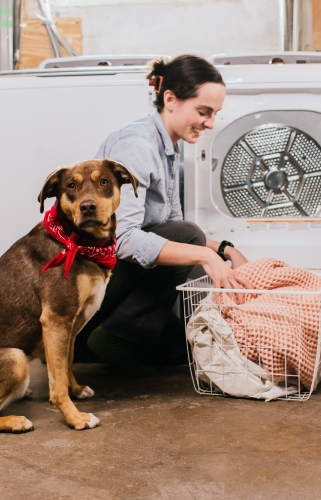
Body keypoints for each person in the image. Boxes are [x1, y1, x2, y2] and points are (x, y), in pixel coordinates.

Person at [75, 54, 250, 376]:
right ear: (170, 99)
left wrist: (225, 249)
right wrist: (206, 257)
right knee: (189, 236)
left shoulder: (168, 146)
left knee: (179, 350)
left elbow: (162, 227)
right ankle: (110, 333)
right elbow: (123, 240)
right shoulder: (137, 145)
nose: (210, 123)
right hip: (85, 276)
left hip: (112, 277)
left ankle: (81, 342)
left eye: (215, 114)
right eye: (203, 111)